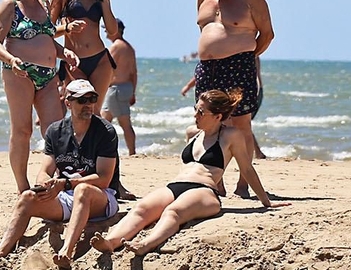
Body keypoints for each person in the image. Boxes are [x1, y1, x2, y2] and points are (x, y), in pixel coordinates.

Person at [92, 88, 288, 257]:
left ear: (218, 116)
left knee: (172, 212)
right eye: (195, 109)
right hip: (176, 185)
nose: (195, 115)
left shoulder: (231, 136)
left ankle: (146, 245)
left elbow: (247, 169)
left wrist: (265, 202)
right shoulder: (192, 133)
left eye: (201, 112)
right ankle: (111, 242)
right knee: (141, 209)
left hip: (204, 192)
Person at [0, 79, 119, 269]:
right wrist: (47, 186)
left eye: (92, 99)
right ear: (68, 102)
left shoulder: (105, 132)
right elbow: (44, 171)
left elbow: (104, 179)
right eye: (82, 100)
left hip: (101, 198)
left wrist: (64, 184)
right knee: (27, 197)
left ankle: (66, 250)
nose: (88, 104)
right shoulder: (55, 131)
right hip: (67, 197)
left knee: (83, 190)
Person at [0, 0, 79, 192]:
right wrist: (11, 59)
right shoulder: (10, 5)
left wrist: (64, 53)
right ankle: (22, 186)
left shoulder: (44, 3)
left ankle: (58, 179)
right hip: (19, 74)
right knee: (22, 130)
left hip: (48, 75)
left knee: (55, 129)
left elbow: (46, 40)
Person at [195, 0, 273, 195]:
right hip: (208, 68)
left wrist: (246, 56)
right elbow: (205, 30)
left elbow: (267, 34)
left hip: (238, 66)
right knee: (208, 123)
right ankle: (216, 182)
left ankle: (243, 184)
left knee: (241, 125)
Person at [50, 0, 121, 107]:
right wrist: (67, 28)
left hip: (100, 60)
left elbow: (112, 30)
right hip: (73, 61)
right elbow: (46, 31)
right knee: (81, 108)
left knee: (95, 111)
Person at [103, 19, 139, 156]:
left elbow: (106, 69)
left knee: (123, 123)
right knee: (104, 120)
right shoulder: (129, 48)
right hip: (125, 88)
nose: (106, 31)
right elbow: (133, 73)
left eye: (108, 28)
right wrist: (133, 92)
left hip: (116, 90)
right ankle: (102, 150)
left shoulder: (116, 47)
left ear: (116, 29)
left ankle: (132, 152)